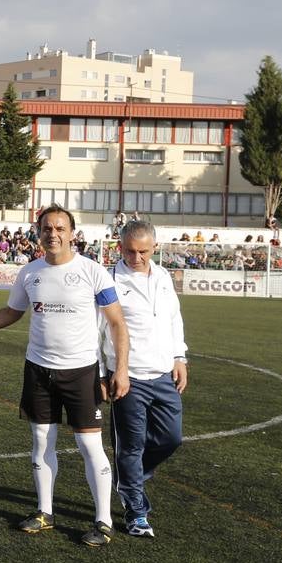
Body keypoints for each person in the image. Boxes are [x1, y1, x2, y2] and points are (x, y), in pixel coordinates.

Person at [0, 205, 130, 548]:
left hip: (81, 372)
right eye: (47, 228)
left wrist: (120, 370)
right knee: (41, 443)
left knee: (89, 445)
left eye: (60, 228)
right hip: (38, 370)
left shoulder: (93, 272)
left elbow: (118, 323)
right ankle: (44, 511)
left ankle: (103, 520)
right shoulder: (30, 273)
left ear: (72, 233)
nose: (53, 234)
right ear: (39, 232)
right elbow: (12, 312)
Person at [103, 220, 187, 538]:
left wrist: (179, 357)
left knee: (171, 438)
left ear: (155, 248)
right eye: (129, 251)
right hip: (128, 377)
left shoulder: (163, 276)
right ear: (119, 247)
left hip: (164, 373)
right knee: (131, 446)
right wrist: (105, 373)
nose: (136, 257)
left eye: (143, 251)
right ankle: (137, 514)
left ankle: (130, 478)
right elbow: (100, 332)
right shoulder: (109, 279)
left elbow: (173, 319)